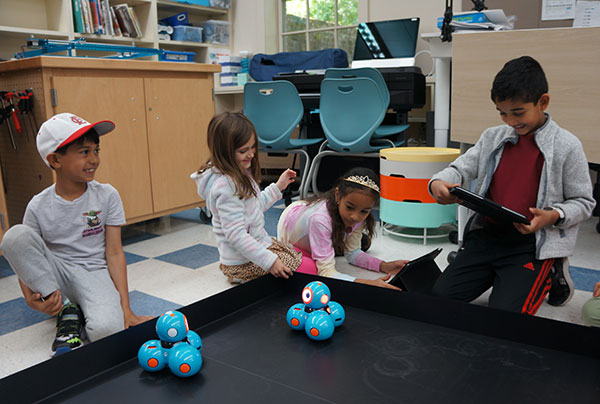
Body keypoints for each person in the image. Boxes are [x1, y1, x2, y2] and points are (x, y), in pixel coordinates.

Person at [429, 56, 595, 315]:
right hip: (487, 237)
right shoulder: (492, 137)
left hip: (531, 245)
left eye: (518, 113)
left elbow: (584, 203)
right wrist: (438, 182)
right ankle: (498, 276)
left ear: (543, 102)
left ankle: (552, 268)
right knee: (440, 297)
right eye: (502, 113)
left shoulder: (567, 145)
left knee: (506, 317)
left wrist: (552, 216)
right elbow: (460, 168)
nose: (510, 121)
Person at [0, 113, 151, 355]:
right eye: (84, 152)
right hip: (55, 278)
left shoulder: (107, 195)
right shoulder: (38, 205)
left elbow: (114, 253)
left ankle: (72, 313)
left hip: (94, 273)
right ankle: (66, 308)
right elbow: (25, 256)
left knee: (107, 331)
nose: (94, 159)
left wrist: (126, 308)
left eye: (96, 150)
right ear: (55, 160)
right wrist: (31, 298)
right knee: (14, 236)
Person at [191, 112, 301, 284]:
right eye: (243, 150)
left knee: (293, 253)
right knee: (295, 267)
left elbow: (254, 207)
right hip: (240, 261)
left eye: (252, 147)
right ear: (224, 152)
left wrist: (278, 186)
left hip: (252, 247)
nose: (251, 154)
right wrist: (269, 262)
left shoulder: (240, 173)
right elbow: (235, 235)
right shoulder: (226, 187)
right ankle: (236, 275)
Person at [277, 167, 406, 290]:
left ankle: (328, 247)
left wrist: (385, 266)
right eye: (349, 207)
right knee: (310, 270)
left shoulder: (358, 214)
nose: (355, 217)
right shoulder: (319, 220)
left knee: (363, 243)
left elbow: (353, 254)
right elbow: (326, 272)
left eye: (364, 211)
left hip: (313, 220)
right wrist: (366, 283)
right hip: (291, 226)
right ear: (337, 195)